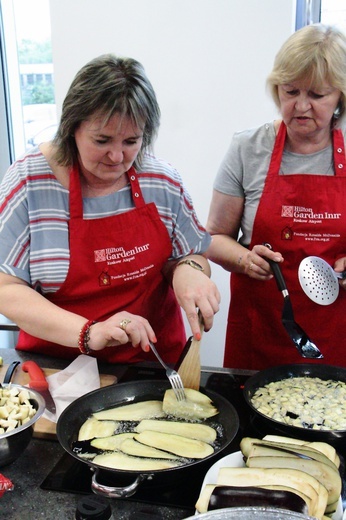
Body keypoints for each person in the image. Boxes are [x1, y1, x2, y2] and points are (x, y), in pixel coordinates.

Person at [0, 54, 220, 363]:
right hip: (58, 369)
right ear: (71, 128)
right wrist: (90, 332)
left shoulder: (162, 180)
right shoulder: (29, 182)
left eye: (131, 141)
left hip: (153, 364)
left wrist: (190, 271)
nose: (117, 156)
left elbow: (190, 254)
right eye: (102, 140)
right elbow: (6, 287)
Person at [206, 23, 346, 370]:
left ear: (340, 96)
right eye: (290, 91)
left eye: (317, 95)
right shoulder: (247, 148)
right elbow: (212, 237)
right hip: (260, 329)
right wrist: (243, 259)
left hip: (335, 333)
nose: (301, 106)